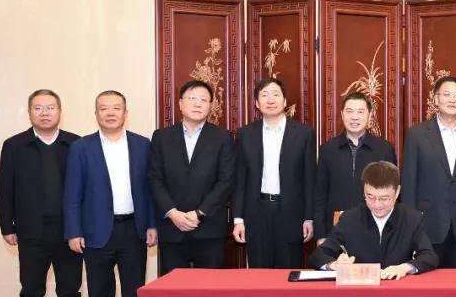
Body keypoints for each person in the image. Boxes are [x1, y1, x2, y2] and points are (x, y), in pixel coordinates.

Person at [63, 90, 156, 297]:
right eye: (104, 108)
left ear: (126, 113)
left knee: (133, 296)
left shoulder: (142, 145)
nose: (111, 113)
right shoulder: (81, 147)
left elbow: (151, 190)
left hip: (133, 230)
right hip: (96, 233)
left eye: (116, 108)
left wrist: (152, 224)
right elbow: (72, 194)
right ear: (96, 114)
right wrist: (73, 231)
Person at [0, 89, 86, 297]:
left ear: (60, 111)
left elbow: (87, 189)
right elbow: (5, 190)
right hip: (31, 232)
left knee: (70, 293)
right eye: (38, 108)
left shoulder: (76, 144)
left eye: (50, 107)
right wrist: (6, 225)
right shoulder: (14, 146)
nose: (44, 113)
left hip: (69, 233)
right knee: (32, 293)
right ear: (29, 112)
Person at [400, 76, 456, 267]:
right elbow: (409, 183)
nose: (452, 100)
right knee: (427, 281)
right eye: (447, 94)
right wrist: (410, 227)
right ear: (436, 99)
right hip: (427, 225)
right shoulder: (417, 135)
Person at [148, 80, 235, 275]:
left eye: (203, 100)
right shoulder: (162, 137)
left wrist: (199, 213)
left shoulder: (223, 137)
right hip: (172, 228)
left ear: (210, 105)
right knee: (172, 289)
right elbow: (155, 179)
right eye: (192, 98)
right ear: (180, 103)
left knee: (210, 288)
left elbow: (226, 181)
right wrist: (173, 213)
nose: (197, 104)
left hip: (209, 228)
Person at [233, 77, 316, 268]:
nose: (270, 100)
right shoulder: (246, 134)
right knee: (259, 273)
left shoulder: (304, 134)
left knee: (288, 272)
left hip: (292, 214)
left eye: (276, 95)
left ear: (285, 101)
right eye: (264, 95)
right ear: (256, 103)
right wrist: (238, 219)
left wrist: (309, 217)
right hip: (257, 212)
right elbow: (240, 179)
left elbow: (310, 180)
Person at [309, 161, 438, 278]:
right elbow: (318, 255)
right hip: (360, 289)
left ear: (397, 191)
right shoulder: (350, 219)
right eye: (370, 197)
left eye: (384, 199)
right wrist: (334, 265)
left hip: (398, 288)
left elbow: (429, 256)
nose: (377, 205)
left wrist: (405, 268)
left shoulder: (411, 219)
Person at [315, 91, 396, 240]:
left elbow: (392, 194)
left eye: (360, 112)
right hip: (336, 228)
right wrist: (321, 236)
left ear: (369, 115)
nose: (354, 117)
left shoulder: (384, 149)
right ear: (342, 114)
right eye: (349, 111)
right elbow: (320, 195)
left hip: (375, 229)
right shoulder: (328, 150)